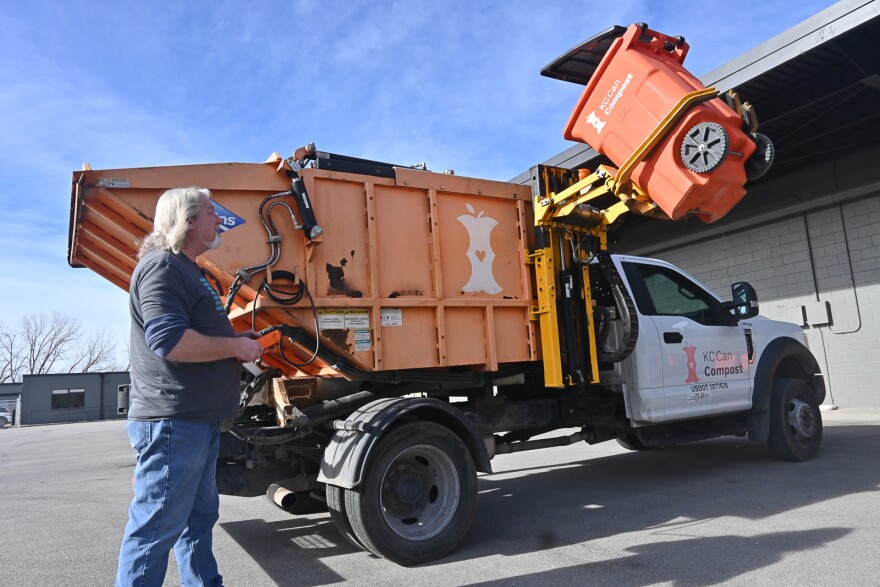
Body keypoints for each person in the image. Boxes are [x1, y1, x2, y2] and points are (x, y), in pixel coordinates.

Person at [116, 187, 263, 587]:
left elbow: (191, 333)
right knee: (155, 529)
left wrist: (234, 342)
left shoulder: (188, 268)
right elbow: (169, 342)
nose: (220, 220)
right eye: (212, 213)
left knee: (197, 520)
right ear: (188, 221)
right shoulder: (162, 267)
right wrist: (235, 345)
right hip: (173, 424)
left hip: (197, 421)